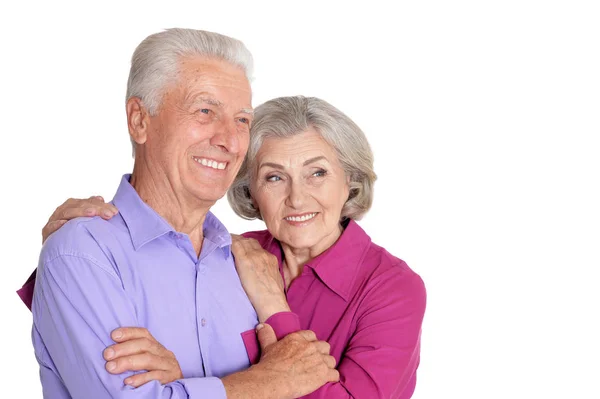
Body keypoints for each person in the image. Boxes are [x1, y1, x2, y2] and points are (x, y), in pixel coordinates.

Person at [20, 95, 427, 397]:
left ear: (350, 181)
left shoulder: (393, 287)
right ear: (250, 191)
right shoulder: (223, 251)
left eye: (317, 173)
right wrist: (76, 246)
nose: (298, 199)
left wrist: (274, 309)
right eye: (273, 177)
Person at [24, 28, 339, 399]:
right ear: (140, 120)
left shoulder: (250, 264)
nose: (230, 140)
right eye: (205, 111)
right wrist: (271, 381)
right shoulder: (81, 253)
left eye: (241, 120)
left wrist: (181, 382)